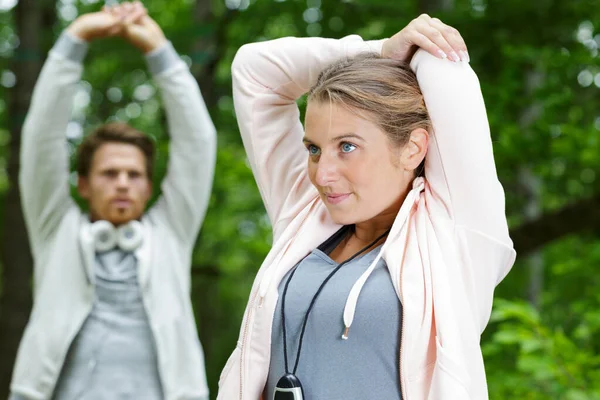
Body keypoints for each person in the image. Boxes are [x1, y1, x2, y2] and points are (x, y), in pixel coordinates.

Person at [218, 14, 516, 399]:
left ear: (413, 148)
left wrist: (404, 55)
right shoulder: (305, 215)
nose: (322, 175)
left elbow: (444, 64)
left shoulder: (453, 233)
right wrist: (376, 50)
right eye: (313, 149)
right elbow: (252, 68)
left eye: (347, 147)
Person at [9, 2, 215, 399]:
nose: (123, 183)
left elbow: (197, 143)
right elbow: (41, 138)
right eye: (109, 173)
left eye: (134, 175)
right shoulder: (56, 230)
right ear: (83, 184)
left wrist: (159, 50)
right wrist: (76, 37)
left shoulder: (170, 233)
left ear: (149, 186)